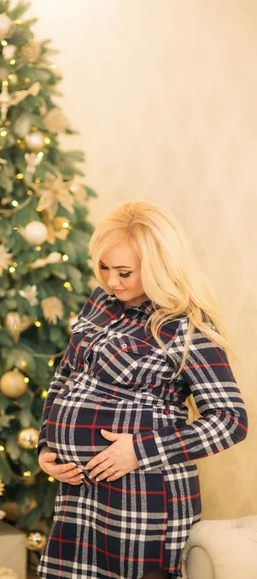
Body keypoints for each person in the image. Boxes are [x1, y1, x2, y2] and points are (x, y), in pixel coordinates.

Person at [36, 200, 248, 579]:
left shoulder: (186, 325)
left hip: (142, 493)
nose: (111, 281)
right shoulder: (101, 302)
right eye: (103, 267)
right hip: (80, 491)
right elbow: (65, 376)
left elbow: (231, 420)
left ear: (158, 267)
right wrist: (46, 445)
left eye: (124, 272)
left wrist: (139, 451)